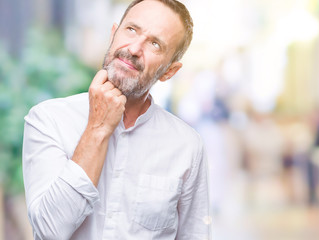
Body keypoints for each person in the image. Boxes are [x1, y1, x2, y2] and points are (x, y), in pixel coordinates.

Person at [22, 0, 210, 239]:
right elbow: (50, 231)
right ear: (113, 34)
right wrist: (97, 128)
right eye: (131, 30)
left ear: (169, 71)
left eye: (155, 44)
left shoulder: (187, 146)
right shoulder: (48, 120)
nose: (134, 49)